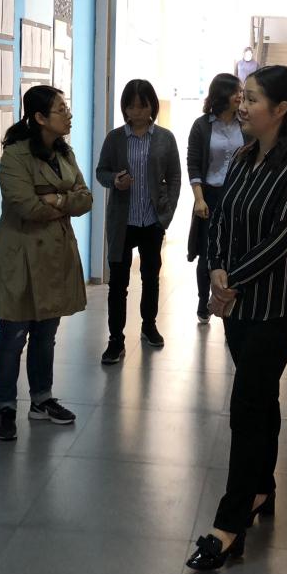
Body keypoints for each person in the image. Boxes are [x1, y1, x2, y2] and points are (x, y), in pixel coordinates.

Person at [187, 65, 287, 572]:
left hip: (276, 306)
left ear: (281, 109)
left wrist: (232, 281)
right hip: (238, 306)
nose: (241, 107)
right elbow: (222, 220)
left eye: (253, 100)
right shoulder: (244, 158)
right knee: (261, 396)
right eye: (242, 98)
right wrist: (216, 269)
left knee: (245, 405)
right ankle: (262, 487)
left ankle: (229, 524)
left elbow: (283, 240)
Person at [0, 86, 92, 441]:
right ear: (40, 117)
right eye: (61, 109)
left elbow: (85, 199)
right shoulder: (15, 155)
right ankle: (5, 407)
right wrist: (63, 200)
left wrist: (54, 197)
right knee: (13, 336)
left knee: (46, 334)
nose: (68, 114)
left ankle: (41, 400)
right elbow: (26, 206)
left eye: (66, 108)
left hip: (56, 254)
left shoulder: (64, 152)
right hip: (21, 256)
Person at [96, 79, 181, 364]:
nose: (137, 112)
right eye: (131, 106)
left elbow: (174, 176)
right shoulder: (115, 138)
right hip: (122, 222)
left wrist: (166, 214)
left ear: (152, 107)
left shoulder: (165, 138)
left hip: (151, 220)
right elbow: (101, 171)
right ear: (125, 108)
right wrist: (114, 180)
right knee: (118, 284)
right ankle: (115, 340)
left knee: (150, 277)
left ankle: (149, 325)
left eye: (142, 106)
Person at [186, 73, 247, 324]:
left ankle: (231, 303)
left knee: (236, 250)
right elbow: (193, 164)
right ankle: (204, 302)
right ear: (223, 94)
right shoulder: (202, 125)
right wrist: (199, 199)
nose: (241, 96)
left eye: (242, 92)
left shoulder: (245, 123)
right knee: (208, 252)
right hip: (210, 195)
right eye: (236, 92)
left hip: (239, 195)